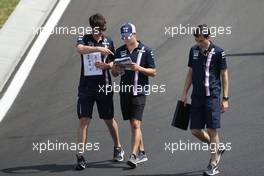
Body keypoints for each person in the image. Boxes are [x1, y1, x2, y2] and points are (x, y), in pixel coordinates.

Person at [75, 13, 124, 170]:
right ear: (92, 28)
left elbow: (115, 64)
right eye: (98, 30)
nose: (101, 33)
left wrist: (107, 66)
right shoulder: (84, 38)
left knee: (108, 119)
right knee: (84, 119)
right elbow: (80, 49)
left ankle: (118, 147)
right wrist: (97, 48)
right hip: (86, 87)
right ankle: (80, 156)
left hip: (104, 86)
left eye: (103, 30)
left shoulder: (109, 41)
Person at [181, 24, 229, 175]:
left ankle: (213, 163)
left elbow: (224, 75)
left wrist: (225, 98)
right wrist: (184, 93)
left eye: (201, 40)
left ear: (209, 37)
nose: (199, 43)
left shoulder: (219, 52)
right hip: (197, 97)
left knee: (211, 129)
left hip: (213, 96)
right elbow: (190, 72)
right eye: (196, 40)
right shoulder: (193, 50)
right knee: (195, 130)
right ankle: (217, 147)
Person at [112, 23, 156, 168]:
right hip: (125, 92)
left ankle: (133, 155)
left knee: (136, 124)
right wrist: (116, 69)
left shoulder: (146, 50)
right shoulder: (119, 51)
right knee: (132, 123)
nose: (125, 39)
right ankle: (142, 152)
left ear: (135, 34)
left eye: (128, 36)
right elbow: (114, 74)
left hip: (140, 92)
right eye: (123, 37)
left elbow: (153, 72)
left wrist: (138, 68)